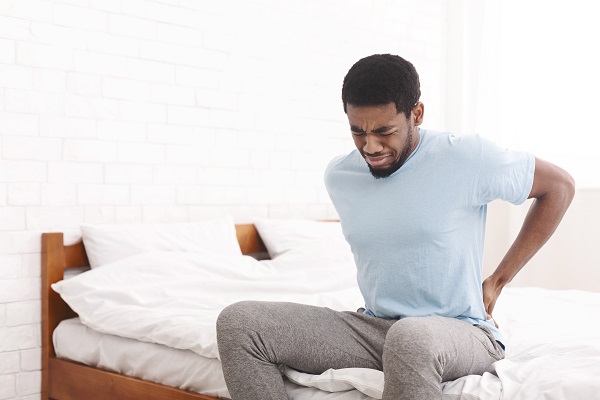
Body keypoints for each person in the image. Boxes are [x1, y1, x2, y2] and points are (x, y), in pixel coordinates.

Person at [216, 54, 575, 400]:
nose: (370, 146)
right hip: (376, 329)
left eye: (384, 131)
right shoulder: (340, 176)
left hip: (462, 332)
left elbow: (559, 187)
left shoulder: (466, 157)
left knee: (412, 337)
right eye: (357, 132)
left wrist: (499, 279)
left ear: (416, 114)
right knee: (240, 323)